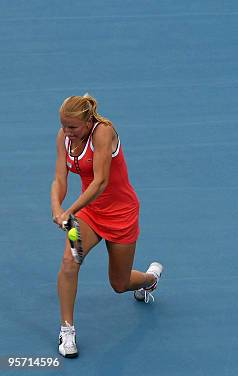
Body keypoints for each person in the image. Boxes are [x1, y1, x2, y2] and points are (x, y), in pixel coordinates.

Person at [50, 94, 163, 358]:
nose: (67, 132)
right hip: (88, 215)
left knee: (120, 284)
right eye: (63, 126)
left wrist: (69, 211)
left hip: (121, 216)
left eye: (73, 127)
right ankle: (67, 331)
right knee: (70, 261)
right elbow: (59, 178)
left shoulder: (104, 133)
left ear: (88, 122)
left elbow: (100, 182)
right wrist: (57, 209)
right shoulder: (63, 137)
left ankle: (150, 279)